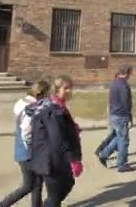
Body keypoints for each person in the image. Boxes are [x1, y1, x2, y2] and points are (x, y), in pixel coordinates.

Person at [28, 75, 83, 207]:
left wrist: (72, 128)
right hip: (52, 161)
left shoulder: (58, 105)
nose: (69, 91)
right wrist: (73, 160)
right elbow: (57, 139)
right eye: (66, 88)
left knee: (64, 187)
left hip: (53, 159)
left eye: (71, 88)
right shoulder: (53, 110)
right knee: (56, 195)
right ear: (57, 89)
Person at [0, 81, 49, 207]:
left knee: (37, 182)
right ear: (42, 93)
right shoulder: (31, 108)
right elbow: (27, 131)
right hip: (28, 152)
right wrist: (33, 147)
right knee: (28, 185)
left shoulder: (21, 102)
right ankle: (2, 205)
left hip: (21, 149)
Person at [97, 65, 134, 172]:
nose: (130, 76)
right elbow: (126, 103)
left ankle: (104, 154)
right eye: (130, 73)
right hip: (121, 115)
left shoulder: (114, 83)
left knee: (118, 137)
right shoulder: (124, 85)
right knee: (124, 140)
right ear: (127, 73)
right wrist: (130, 117)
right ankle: (121, 164)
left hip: (114, 114)